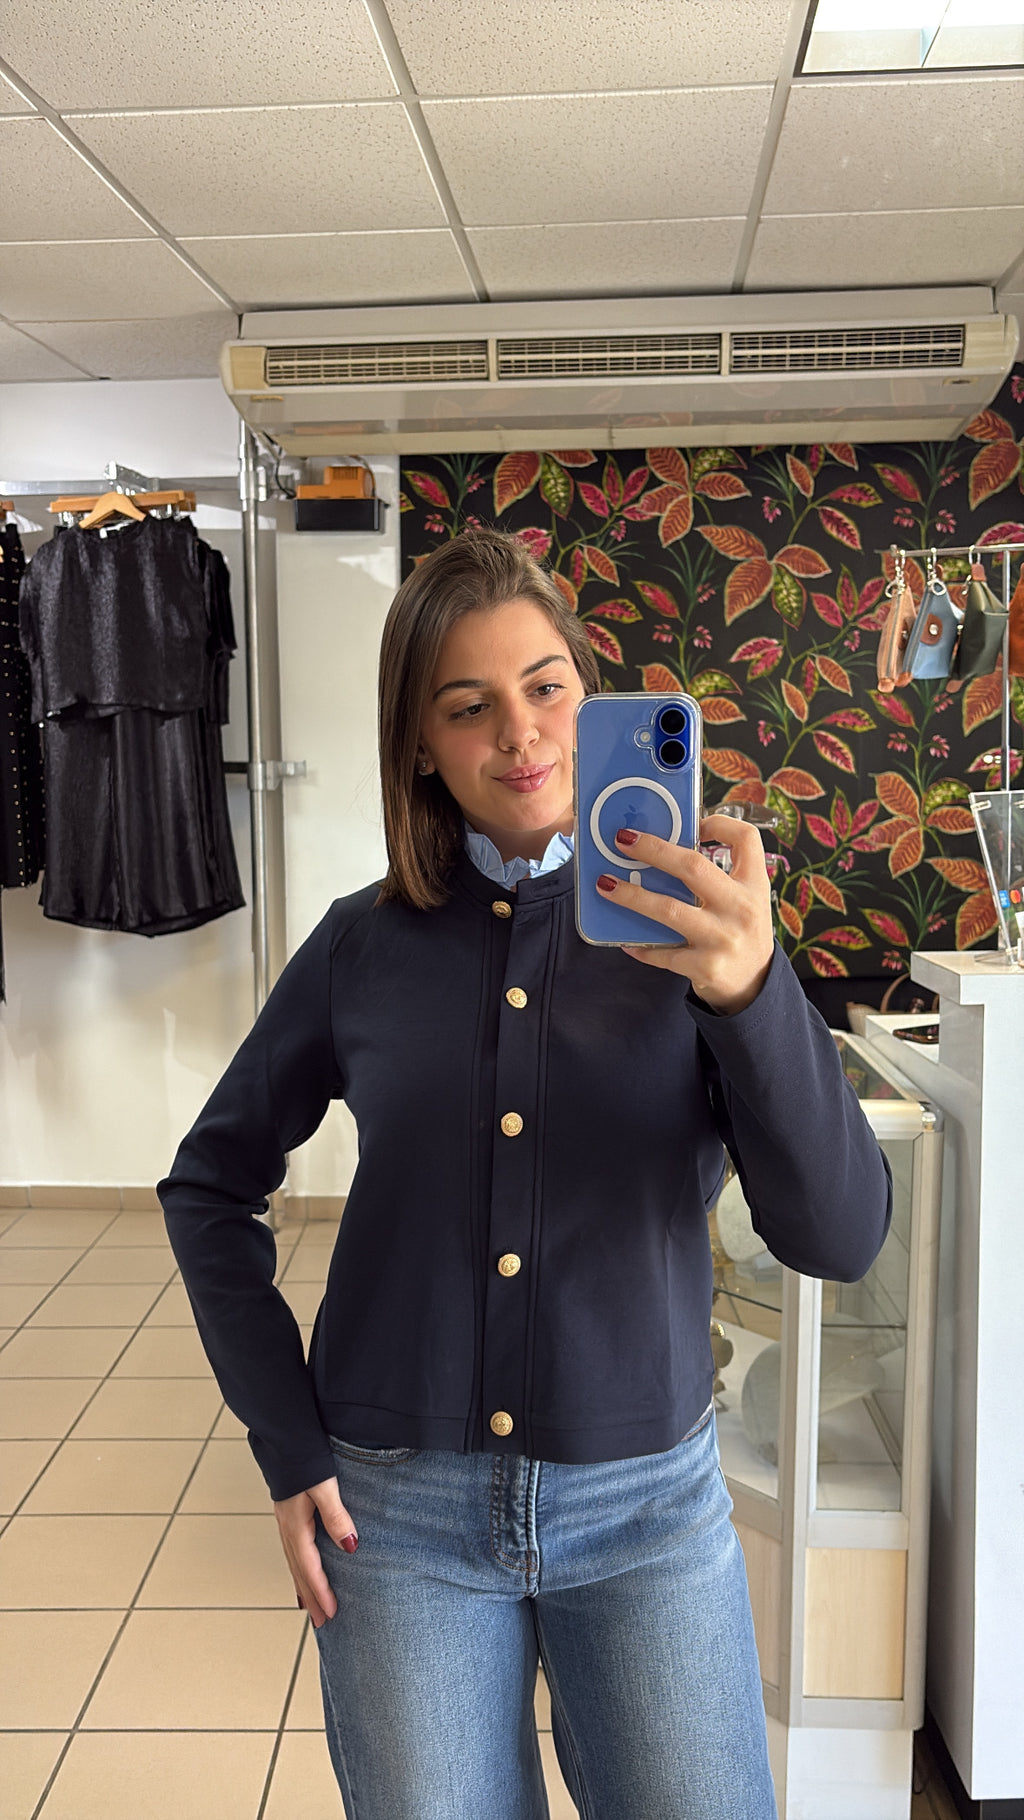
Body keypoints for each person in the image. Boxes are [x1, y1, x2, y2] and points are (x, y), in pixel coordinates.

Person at [159, 526, 891, 1820]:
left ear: (591, 698)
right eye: (468, 706)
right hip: (396, 1513)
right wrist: (285, 1437)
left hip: (647, 1504)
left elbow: (837, 1234)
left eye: (547, 686)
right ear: (420, 745)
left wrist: (752, 992)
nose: (520, 733)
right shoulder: (358, 948)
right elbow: (208, 1187)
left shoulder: (703, 943)